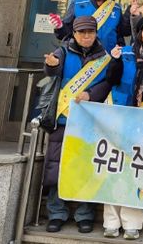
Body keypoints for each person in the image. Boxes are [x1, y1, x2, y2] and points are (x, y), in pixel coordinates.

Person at [42, 15, 118, 234]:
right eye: (81, 32)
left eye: (90, 32)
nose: (86, 36)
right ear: (73, 34)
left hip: (91, 121)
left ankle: (84, 214)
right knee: (57, 166)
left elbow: (108, 83)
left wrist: (91, 94)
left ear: (96, 34)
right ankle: (56, 213)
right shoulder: (64, 51)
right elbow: (53, 68)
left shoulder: (104, 57)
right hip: (64, 119)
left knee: (87, 168)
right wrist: (51, 65)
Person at [101, 14, 143, 239]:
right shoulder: (126, 53)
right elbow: (111, 80)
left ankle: (132, 223)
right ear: (139, 33)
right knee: (114, 169)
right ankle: (111, 221)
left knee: (139, 172)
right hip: (120, 119)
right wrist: (114, 61)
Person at [49, 0, 126, 51]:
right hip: (81, 56)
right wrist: (60, 26)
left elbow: (120, 34)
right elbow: (66, 33)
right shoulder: (77, 4)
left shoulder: (115, 8)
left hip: (109, 56)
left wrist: (120, 51)